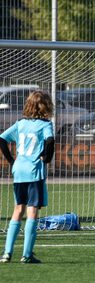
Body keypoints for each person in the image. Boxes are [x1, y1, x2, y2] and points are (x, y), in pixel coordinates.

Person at [0, 90, 55, 263]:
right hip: (34, 170)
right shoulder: (45, 124)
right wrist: (47, 158)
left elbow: (1, 139)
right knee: (32, 212)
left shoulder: (21, 123)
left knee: (18, 209)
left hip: (19, 170)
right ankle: (27, 255)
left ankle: (7, 253)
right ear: (45, 105)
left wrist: (11, 160)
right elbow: (50, 141)